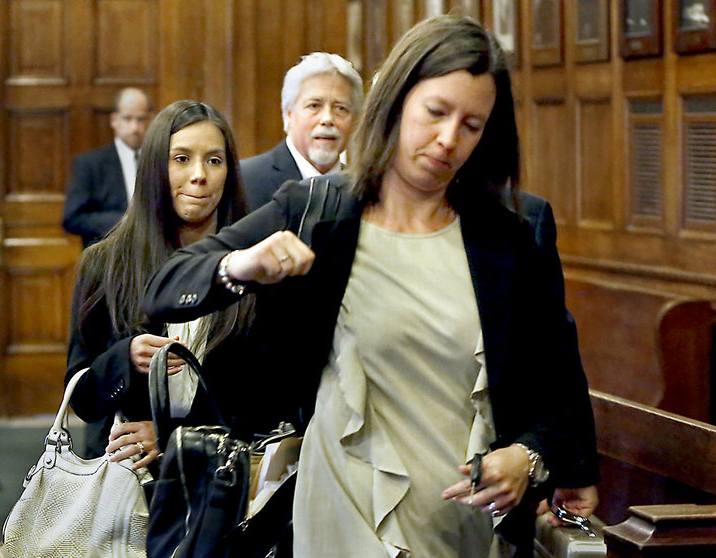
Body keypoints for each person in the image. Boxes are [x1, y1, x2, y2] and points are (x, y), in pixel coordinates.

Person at [143, 15, 599, 557]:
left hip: (461, 519)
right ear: (397, 101)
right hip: (341, 504)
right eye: (435, 112)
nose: (448, 139)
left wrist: (528, 457)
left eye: (472, 125)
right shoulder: (321, 211)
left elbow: (558, 380)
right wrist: (240, 265)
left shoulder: (510, 236)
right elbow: (166, 285)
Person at [65, 100, 254, 462]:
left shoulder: (251, 266)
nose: (199, 175)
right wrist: (124, 358)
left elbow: (271, 396)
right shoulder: (104, 264)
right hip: (129, 484)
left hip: (224, 484)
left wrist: (175, 436)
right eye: (181, 159)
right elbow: (83, 399)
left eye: (214, 160)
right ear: (155, 168)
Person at [241, 52, 363, 211]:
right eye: (314, 106)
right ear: (289, 113)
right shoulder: (245, 181)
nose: (327, 119)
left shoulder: (361, 189)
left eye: (341, 108)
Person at [63, 87, 152, 248]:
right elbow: (72, 219)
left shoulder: (158, 161)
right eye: (127, 119)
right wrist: (123, 221)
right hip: (105, 260)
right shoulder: (91, 164)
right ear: (114, 120)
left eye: (140, 119)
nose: (134, 128)